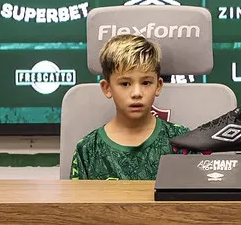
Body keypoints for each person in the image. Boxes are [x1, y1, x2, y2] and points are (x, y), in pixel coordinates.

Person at [71, 34, 189, 180]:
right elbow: (78, 202)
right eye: (125, 84)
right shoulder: (88, 149)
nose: (137, 93)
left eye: (146, 83)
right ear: (107, 88)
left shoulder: (181, 142)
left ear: (158, 86)